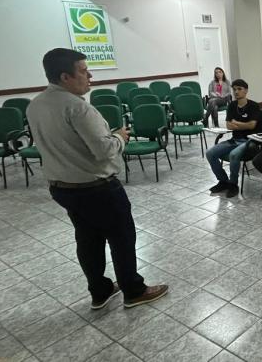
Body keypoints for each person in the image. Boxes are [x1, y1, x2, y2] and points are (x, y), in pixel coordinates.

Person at [28, 48, 167, 310]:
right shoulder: (78, 107)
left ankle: (100, 291)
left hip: (63, 188)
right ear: (65, 77)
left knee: (87, 239)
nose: (90, 76)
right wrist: (119, 137)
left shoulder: (36, 105)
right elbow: (104, 151)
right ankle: (134, 290)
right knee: (121, 238)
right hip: (96, 188)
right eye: (83, 71)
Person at [205, 79, 261, 198]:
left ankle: (233, 184)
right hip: (234, 140)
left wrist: (237, 123)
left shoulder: (253, 106)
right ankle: (223, 181)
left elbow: (252, 125)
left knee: (234, 155)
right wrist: (241, 125)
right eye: (234, 89)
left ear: (246, 91)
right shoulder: (232, 105)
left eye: (239, 89)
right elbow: (229, 125)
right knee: (210, 153)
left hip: (249, 141)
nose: (236, 92)